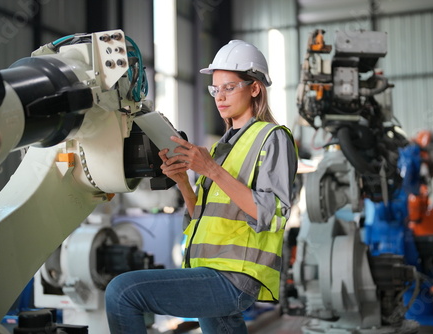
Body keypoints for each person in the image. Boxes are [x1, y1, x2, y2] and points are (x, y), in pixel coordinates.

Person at [105, 40, 298, 333]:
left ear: (255, 88)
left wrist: (210, 170)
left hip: (234, 277)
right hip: (208, 269)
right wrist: (184, 182)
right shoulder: (221, 148)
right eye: (215, 89)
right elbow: (201, 218)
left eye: (229, 87)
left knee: (122, 292)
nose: (220, 96)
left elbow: (270, 214)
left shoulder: (272, 138)